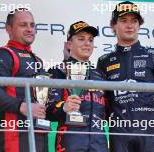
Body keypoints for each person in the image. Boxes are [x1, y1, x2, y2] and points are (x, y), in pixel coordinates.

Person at [97, 1, 154, 152]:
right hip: (119, 133)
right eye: (123, 21)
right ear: (113, 25)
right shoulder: (104, 61)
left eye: (134, 21)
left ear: (139, 25)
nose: (129, 26)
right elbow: (101, 102)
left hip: (150, 132)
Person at [0, 9, 48, 152]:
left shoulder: (37, 60)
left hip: (39, 134)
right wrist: (22, 106)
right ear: (9, 29)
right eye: (23, 25)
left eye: (32, 25)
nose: (29, 29)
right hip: (15, 136)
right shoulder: (4, 53)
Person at [46, 21, 109, 152]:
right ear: (69, 44)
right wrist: (64, 107)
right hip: (69, 142)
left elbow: (109, 110)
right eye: (81, 39)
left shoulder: (99, 74)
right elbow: (47, 111)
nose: (87, 43)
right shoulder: (58, 72)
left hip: (99, 144)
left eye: (90, 40)